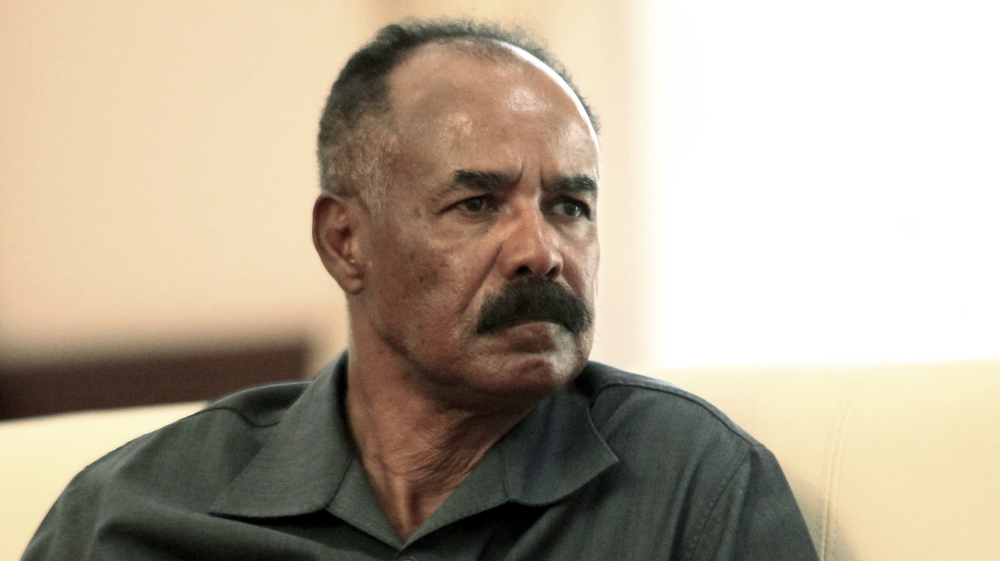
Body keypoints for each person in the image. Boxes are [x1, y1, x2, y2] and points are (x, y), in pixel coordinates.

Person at [23, 20, 819, 560]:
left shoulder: (690, 487)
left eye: (569, 206)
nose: (540, 252)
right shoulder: (129, 512)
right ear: (346, 242)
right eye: (477, 203)